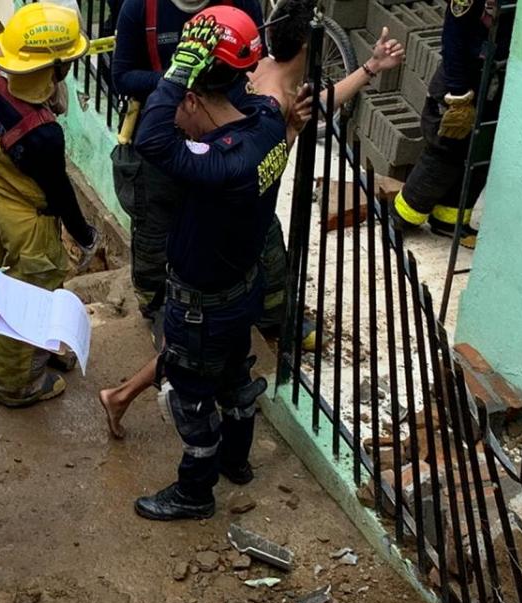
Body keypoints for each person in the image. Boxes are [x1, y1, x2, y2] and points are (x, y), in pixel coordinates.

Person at [98, 1, 405, 440]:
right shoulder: (264, 111)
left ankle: (124, 394)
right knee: (197, 341)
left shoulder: (255, 84)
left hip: (221, 227)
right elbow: (308, 110)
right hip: (221, 232)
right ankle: (146, 410)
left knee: (204, 341)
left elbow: (302, 115)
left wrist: (295, 128)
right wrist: (365, 74)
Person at [130, 10, 307, 520]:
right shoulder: (269, 122)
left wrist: (178, 67)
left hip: (201, 305)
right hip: (241, 288)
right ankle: (238, 460)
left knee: (190, 398)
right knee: (234, 376)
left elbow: (153, 139)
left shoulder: (220, 162)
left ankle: (195, 490)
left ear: (193, 91)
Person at [0, 1, 99, 407]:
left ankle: (16, 355)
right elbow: (60, 191)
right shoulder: (45, 136)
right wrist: (84, 234)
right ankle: (16, 384)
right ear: (53, 70)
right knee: (31, 299)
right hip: (30, 222)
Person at [111, 0, 263, 321]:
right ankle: (156, 310)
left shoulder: (241, 4)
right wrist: (176, 79)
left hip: (225, 138)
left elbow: (257, 65)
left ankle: (268, 308)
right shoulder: (140, 8)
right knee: (154, 232)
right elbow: (122, 76)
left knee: (247, 223)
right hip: (165, 138)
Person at [392, 0, 512, 248]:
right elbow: (453, 40)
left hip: (491, 81)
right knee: (445, 153)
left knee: (476, 156)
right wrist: (458, 97)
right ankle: (400, 217)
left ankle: (449, 221)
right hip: (459, 83)